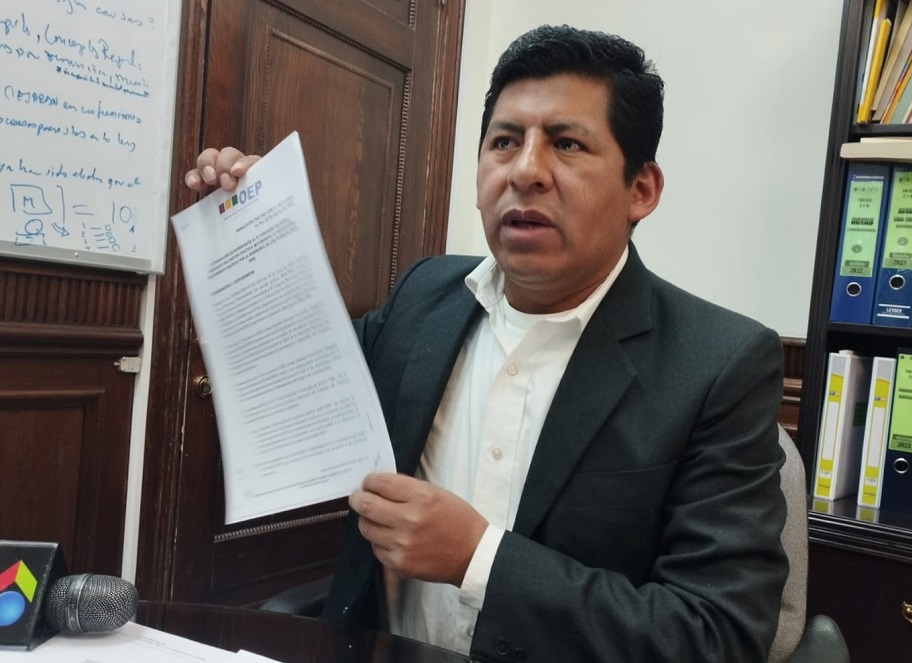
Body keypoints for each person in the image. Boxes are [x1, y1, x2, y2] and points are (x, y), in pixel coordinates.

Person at [185, 24, 787, 663]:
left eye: (566, 144)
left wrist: (478, 559)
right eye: (504, 141)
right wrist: (256, 236)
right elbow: (301, 392)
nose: (526, 171)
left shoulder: (718, 363)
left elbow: (715, 635)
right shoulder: (424, 296)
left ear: (641, 189)